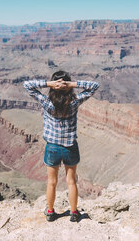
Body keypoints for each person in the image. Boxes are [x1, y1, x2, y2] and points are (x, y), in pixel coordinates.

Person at [23, 70, 99, 222]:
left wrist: (49, 84)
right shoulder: (74, 101)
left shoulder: (47, 102)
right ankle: (73, 213)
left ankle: (50, 212)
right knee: (71, 181)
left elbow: (27, 86)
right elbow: (94, 86)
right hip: (70, 147)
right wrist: (70, 85)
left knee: (52, 182)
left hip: (52, 148)